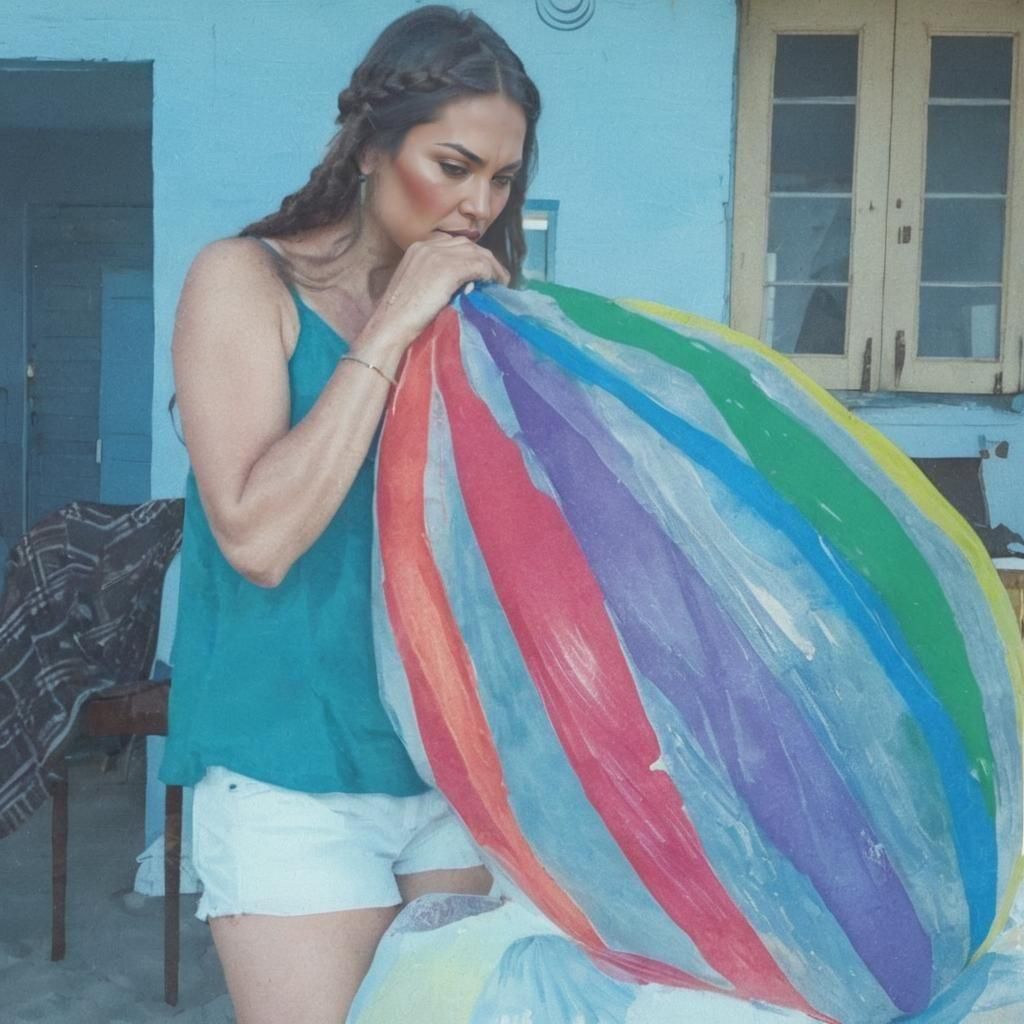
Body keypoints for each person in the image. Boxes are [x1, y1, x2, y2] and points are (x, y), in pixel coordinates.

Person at [160, 7, 541, 1022]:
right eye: (453, 166)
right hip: (290, 770)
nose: (477, 205)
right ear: (371, 147)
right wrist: (395, 321)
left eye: (501, 179)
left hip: (447, 768)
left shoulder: (474, 321)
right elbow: (257, 538)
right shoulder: (243, 280)